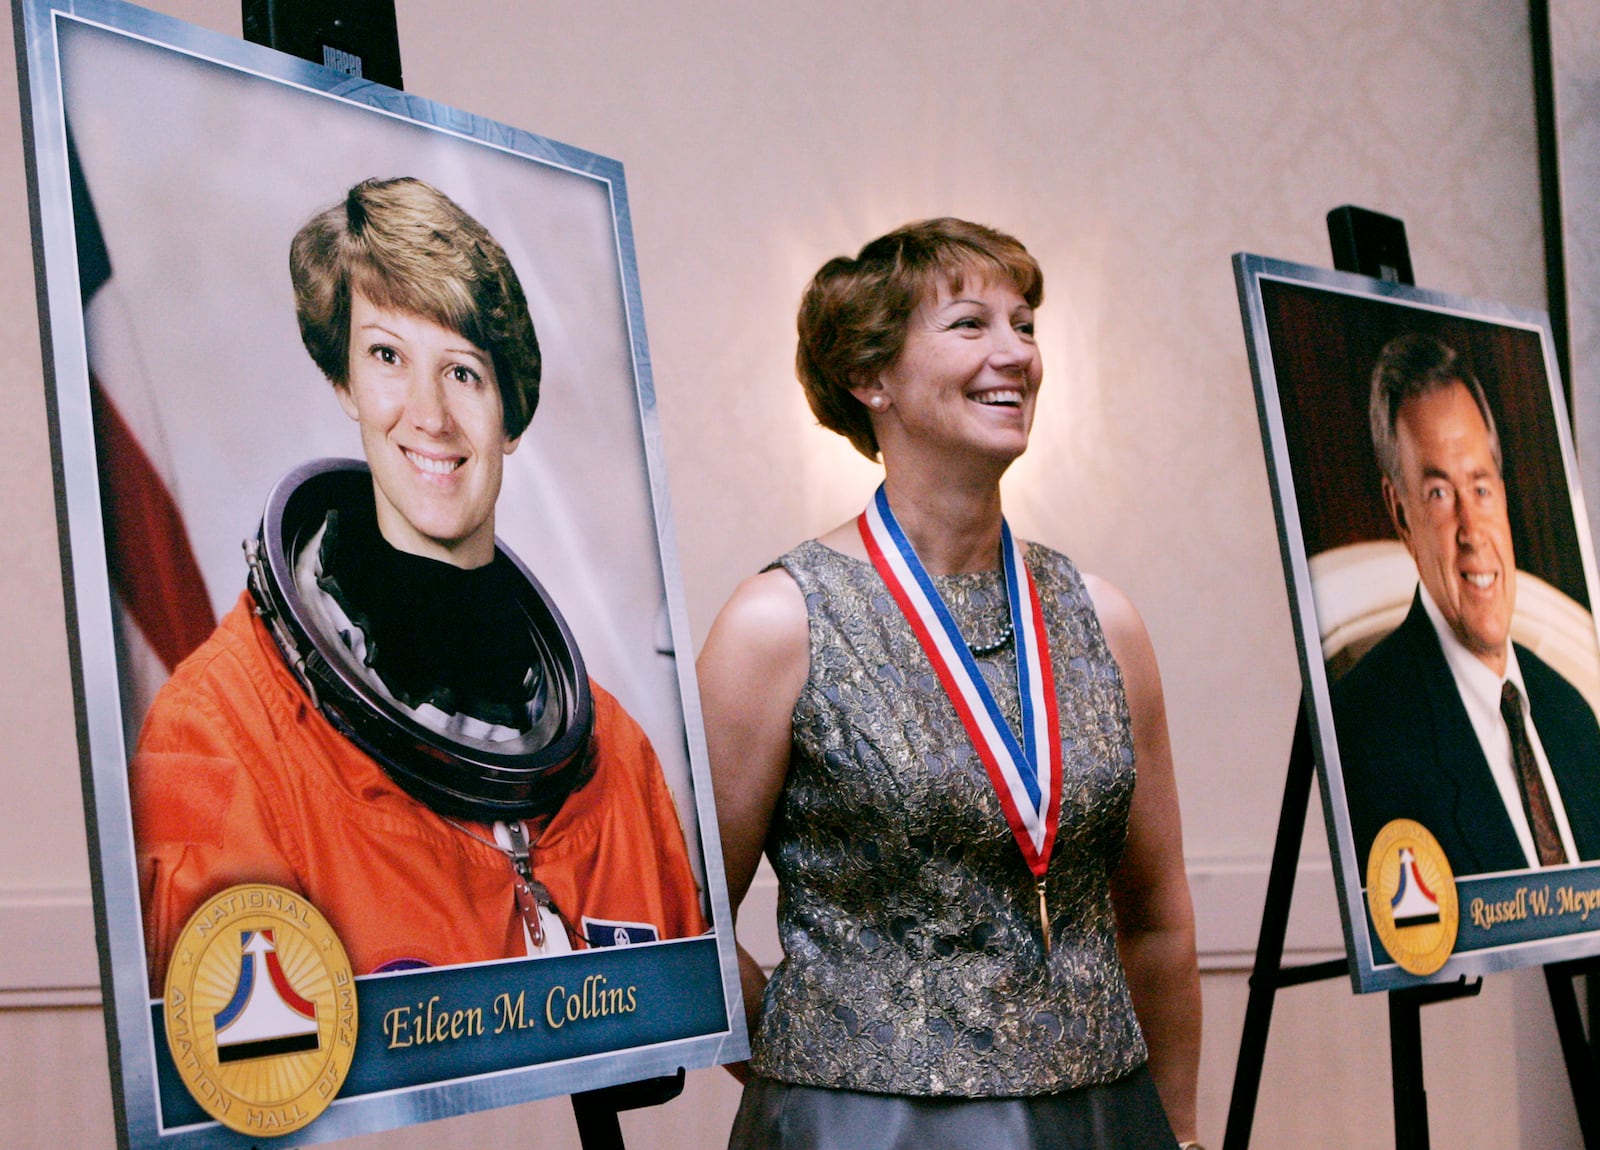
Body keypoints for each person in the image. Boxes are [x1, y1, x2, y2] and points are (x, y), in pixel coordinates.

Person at [133, 177, 705, 992]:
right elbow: (244, 1081)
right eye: (388, 357)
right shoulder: (218, 734)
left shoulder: (613, 757)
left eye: (465, 372)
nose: (430, 415)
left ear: (509, 414)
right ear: (345, 385)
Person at [700, 219, 1201, 1148]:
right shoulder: (780, 624)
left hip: (1104, 1120)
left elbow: (1161, 923)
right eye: (971, 324)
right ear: (870, 376)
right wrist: (819, 1063)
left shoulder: (1104, 619)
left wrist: (1183, 1132)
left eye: (1025, 323)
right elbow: (687, 921)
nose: (1015, 353)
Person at [1333, 332, 1600, 877]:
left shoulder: (1574, 717)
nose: (1473, 533)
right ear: (1401, 513)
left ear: (1503, 494)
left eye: (1480, 488)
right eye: (1438, 494)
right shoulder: (1366, 733)